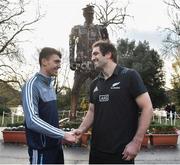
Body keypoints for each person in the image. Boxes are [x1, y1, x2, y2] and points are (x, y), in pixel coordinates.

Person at [74, 40, 153, 164]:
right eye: (92, 55)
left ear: (108, 54)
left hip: (121, 152)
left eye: (95, 54)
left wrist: (136, 142)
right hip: (96, 151)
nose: (92, 58)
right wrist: (81, 129)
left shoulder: (129, 76)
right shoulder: (95, 83)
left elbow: (147, 108)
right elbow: (92, 111)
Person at [22, 47, 76, 164]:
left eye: (60, 62)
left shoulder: (50, 86)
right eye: (56, 61)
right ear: (44, 61)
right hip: (41, 151)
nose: (59, 65)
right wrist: (63, 134)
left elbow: (49, 118)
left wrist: (63, 135)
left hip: (56, 148)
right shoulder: (31, 85)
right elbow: (32, 120)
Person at [69, 4, 109, 119]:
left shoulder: (99, 29)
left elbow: (107, 46)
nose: (90, 16)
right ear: (84, 14)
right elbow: (71, 44)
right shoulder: (77, 29)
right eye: (88, 13)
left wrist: (106, 61)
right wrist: (71, 60)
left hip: (95, 65)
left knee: (102, 90)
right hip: (81, 65)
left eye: (92, 14)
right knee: (75, 90)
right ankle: (72, 116)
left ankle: (102, 115)